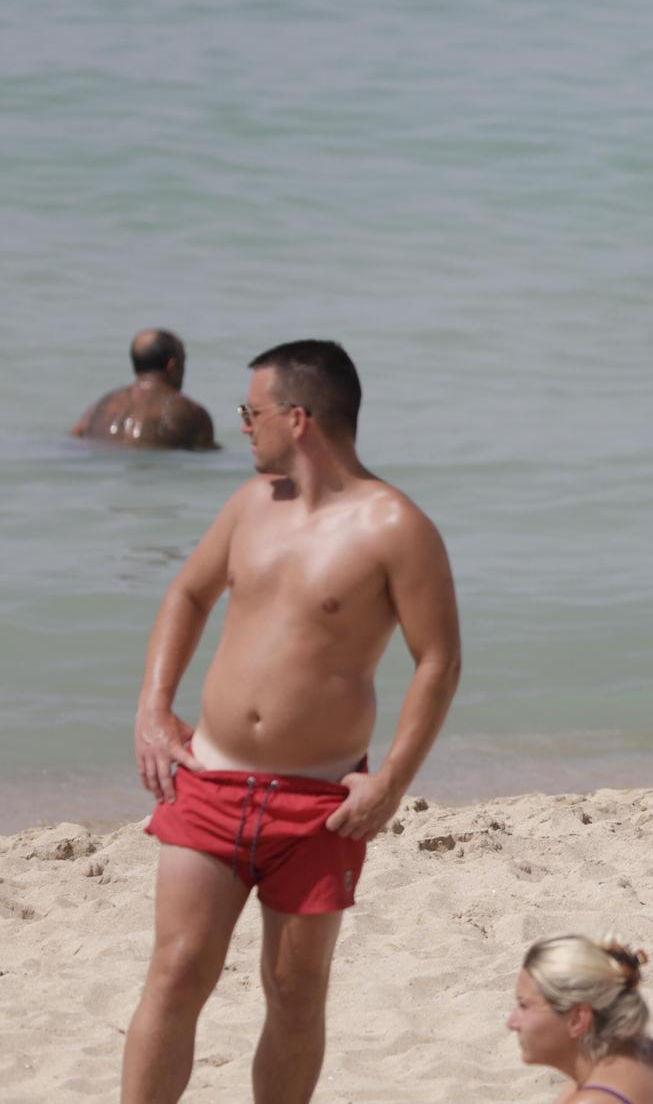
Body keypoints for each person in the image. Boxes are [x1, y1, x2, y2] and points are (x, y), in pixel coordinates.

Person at [121, 340, 462, 1103]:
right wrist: (153, 705)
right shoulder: (248, 506)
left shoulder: (396, 525)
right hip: (207, 777)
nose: (244, 425)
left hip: (316, 805)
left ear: (298, 418)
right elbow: (186, 595)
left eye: (253, 411)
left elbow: (438, 660)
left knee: (296, 993)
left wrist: (391, 786)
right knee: (176, 973)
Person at [508, 934, 653, 1104]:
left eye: (524, 1006)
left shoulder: (598, 1098)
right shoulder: (648, 1053)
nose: (512, 1023)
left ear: (577, 1020)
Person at [71, 329, 219, 451]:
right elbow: (205, 454)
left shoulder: (99, 406)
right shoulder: (192, 413)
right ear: (172, 366)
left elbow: (76, 436)